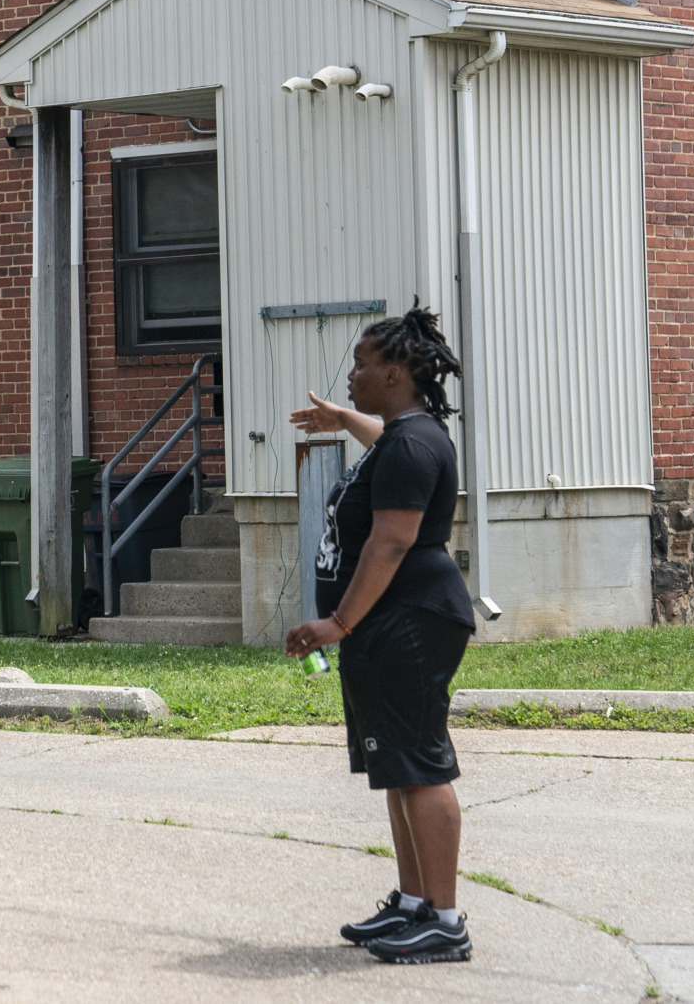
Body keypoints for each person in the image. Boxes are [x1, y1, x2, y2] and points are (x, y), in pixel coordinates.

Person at [287, 305, 477, 965]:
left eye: (362, 364)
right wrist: (343, 420)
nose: (352, 374)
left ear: (395, 373)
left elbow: (392, 540)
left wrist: (337, 623)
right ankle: (415, 901)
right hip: (392, 621)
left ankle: (445, 919)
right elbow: (386, 444)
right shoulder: (403, 435)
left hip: (410, 620)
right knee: (398, 762)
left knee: (420, 762)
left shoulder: (413, 443)